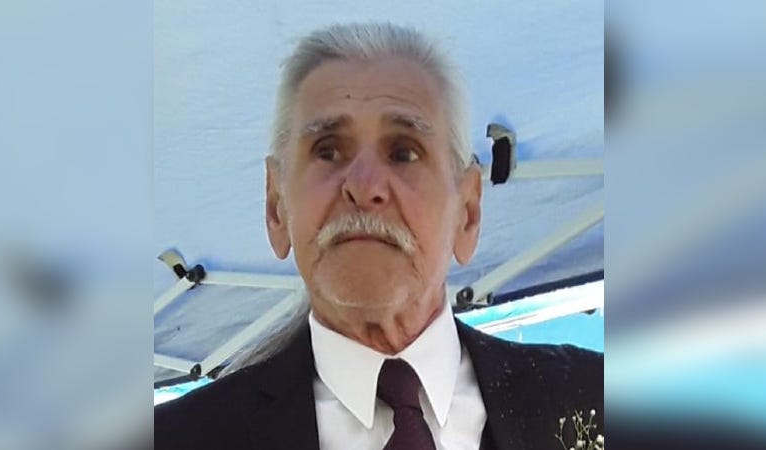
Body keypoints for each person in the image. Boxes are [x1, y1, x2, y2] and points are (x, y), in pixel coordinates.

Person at [155, 22, 602, 450]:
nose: (364, 185)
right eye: (327, 150)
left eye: (403, 152)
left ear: (467, 212)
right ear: (276, 207)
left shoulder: (594, 399)